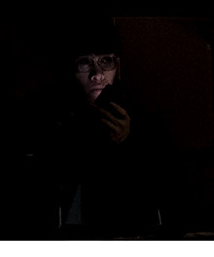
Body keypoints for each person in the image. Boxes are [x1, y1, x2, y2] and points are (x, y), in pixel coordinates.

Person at [19, 17, 168, 236]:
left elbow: (160, 191)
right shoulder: (46, 115)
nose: (96, 74)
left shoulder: (143, 119)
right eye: (85, 63)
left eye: (105, 61)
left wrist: (127, 144)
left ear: (117, 66)